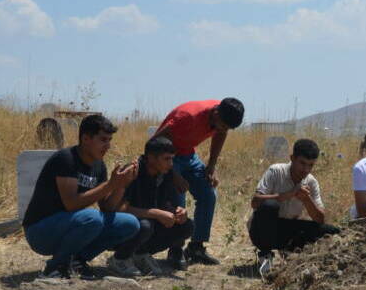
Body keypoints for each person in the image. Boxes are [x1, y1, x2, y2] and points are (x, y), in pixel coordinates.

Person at [23, 114, 140, 279]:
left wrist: (121, 185)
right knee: (93, 218)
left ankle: (77, 261)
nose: (108, 146)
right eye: (103, 140)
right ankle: (56, 266)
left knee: (129, 223)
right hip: (40, 231)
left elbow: (107, 207)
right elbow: (71, 204)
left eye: (109, 140)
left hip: (69, 226)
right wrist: (110, 185)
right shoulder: (66, 159)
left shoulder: (99, 166)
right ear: (86, 138)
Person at [152, 97, 244, 266]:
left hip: (189, 155)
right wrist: (173, 174)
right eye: (223, 125)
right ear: (216, 113)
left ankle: (196, 248)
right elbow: (154, 143)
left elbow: (220, 134)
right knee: (178, 199)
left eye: (228, 128)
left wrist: (211, 165)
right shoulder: (187, 117)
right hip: (169, 157)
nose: (224, 130)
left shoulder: (222, 116)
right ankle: (175, 249)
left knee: (208, 194)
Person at [249, 138, 340, 279]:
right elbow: (255, 202)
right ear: (292, 158)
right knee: (269, 205)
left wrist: (306, 199)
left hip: (287, 228)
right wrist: (289, 195)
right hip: (261, 228)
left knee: (330, 230)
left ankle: (289, 251)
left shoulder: (311, 182)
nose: (306, 170)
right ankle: (265, 254)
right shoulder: (275, 171)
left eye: (310, 165)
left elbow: (320, 219)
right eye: (302, 163)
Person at [108, 136, 194, 277]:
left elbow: (163, 203)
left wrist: (176, 212)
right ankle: (120, 258)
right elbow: (119, 209)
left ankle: (140, 254)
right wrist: (155, 213)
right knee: (145, 225)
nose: (171, 164)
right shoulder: (133, 171)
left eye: (172, 158)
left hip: (148, 226)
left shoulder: (164, 173)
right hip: (123, 228)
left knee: (187, 226)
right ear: (151, 158)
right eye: (167, 159)